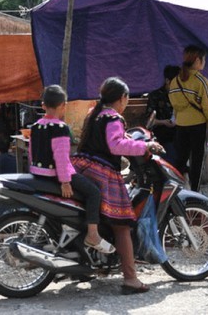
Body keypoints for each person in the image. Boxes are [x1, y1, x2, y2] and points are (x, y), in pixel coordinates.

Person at [71, 77, 162, 295]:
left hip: (82, 166)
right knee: (122, 224)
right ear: (122, 98)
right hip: (102, 173)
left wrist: (129, 137)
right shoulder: (113, 117)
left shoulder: (94, 114)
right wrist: (145, 145)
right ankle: (130, 279)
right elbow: (115, 145)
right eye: (127, 97)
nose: (127, 101)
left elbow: (111, 139)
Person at [29, 85, 112, 254]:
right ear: (63, 105)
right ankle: (93, 234)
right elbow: (61, 158)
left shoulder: (36, 126)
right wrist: (65, 181)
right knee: (94, 192)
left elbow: (32, 153)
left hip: (38, 175)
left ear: (43, 105)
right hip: (56, 176)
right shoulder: (60, 128)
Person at [168, 45, 208, 191]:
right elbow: (207, 106)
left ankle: (176, 193)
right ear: (198, 60)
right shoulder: (201, 81)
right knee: (197, 162)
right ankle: (195, 196)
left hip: (181, 126)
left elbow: (174, 103)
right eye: (203, 59)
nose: (204, 62)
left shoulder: (175, 81)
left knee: (180, 161)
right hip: (198, 126)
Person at [145, 65, 180, 164]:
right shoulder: (155, 96)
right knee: (170, 150)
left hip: (178, 132)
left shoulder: (181, 96)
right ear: (168, 81)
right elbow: (149, 120)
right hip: (161, 134)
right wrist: (164, 122)